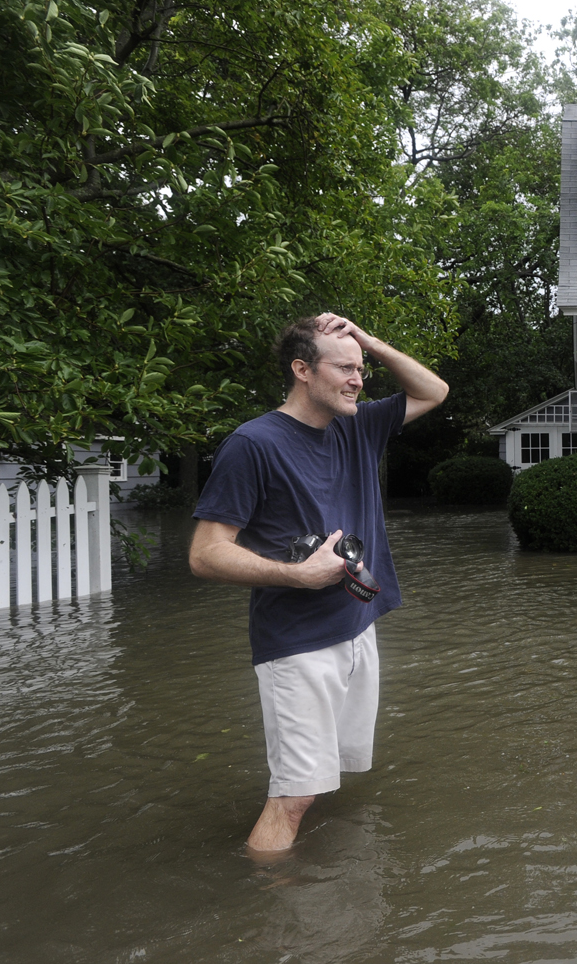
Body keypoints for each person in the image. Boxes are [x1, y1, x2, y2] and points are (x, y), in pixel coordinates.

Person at [188, 313, 448, 852]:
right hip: (298, 644)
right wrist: (298, 575)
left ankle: (317, 888)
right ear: (302, 369)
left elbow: (434, 390)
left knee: (325, 776)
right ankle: (262, 913)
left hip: (356, 625)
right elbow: (205, 555)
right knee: (294, 796)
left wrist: (368, 341)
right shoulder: (252, 444)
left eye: (363, 369)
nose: (359, 379)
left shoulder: (358, 424)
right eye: (346, 368)